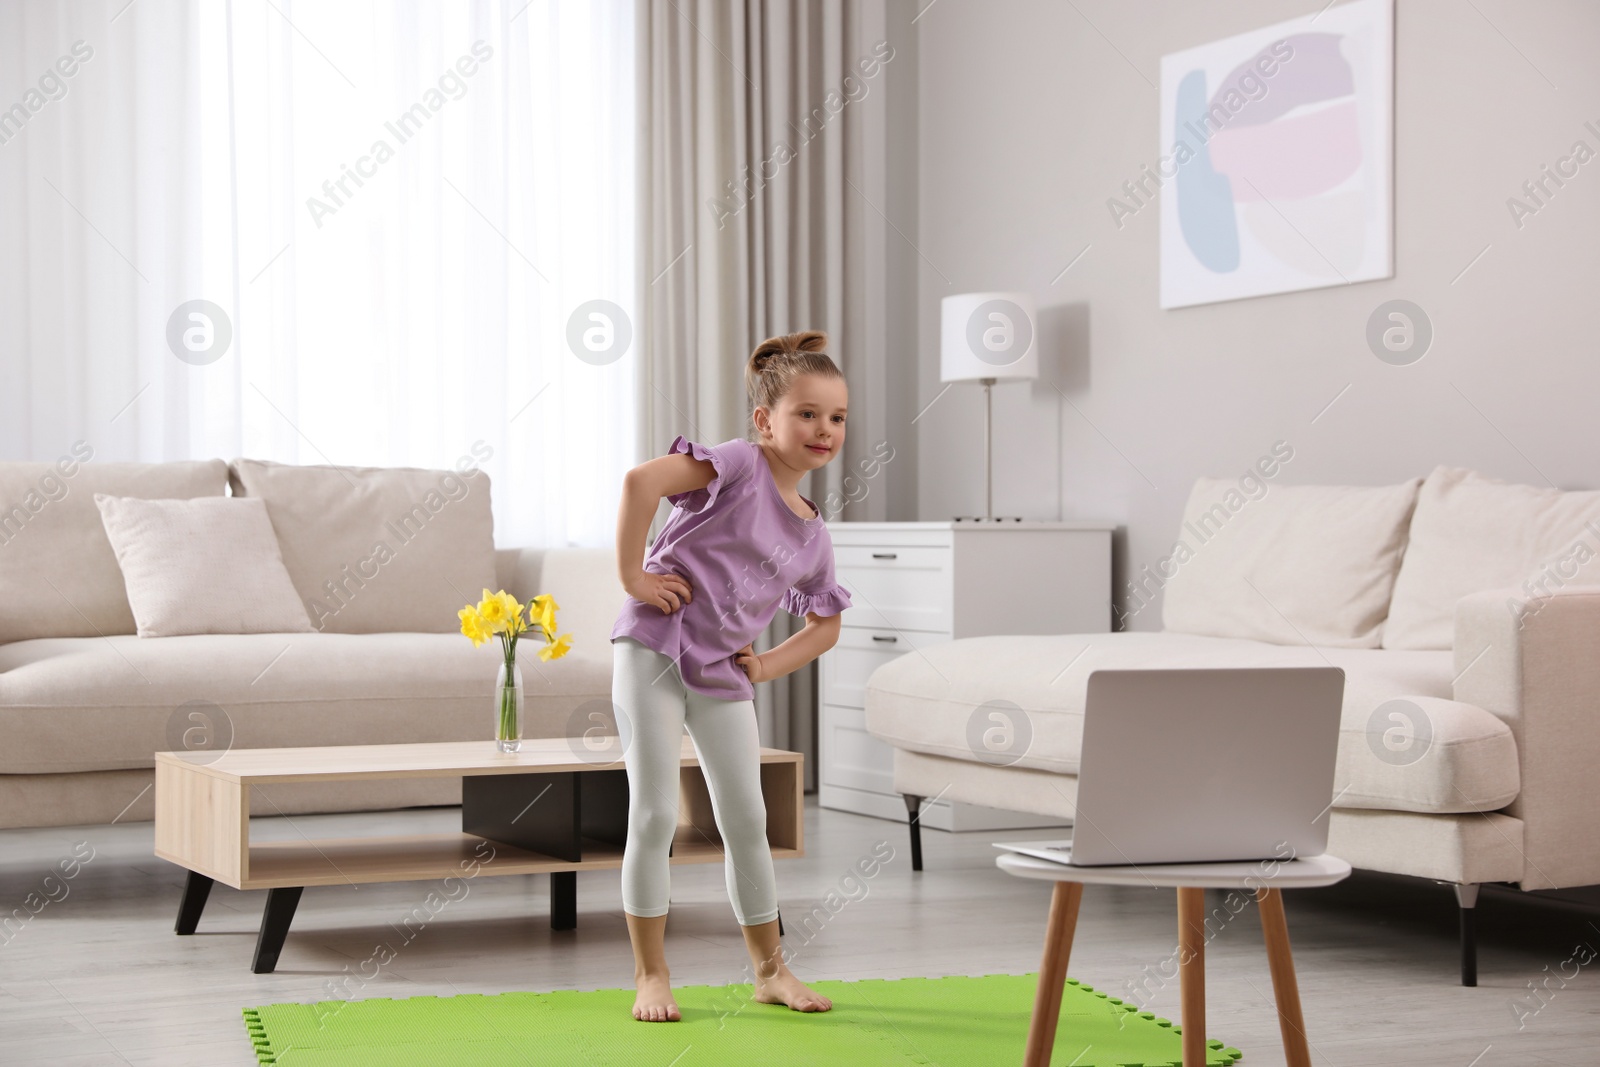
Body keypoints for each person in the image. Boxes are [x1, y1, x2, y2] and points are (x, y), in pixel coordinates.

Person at [609, 329, 852, 1022]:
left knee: (747, 817)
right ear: (764, 420)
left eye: (836, 417)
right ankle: (650, 973)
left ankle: (770, 969)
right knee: (654, 812)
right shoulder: (738, 466)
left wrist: (766, 664)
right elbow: (642, 482)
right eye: (806, 413)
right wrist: (635, 575)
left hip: (720, 670)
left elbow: (826, 623)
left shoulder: (812, 534)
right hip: (653, 646)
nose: (823, 429)